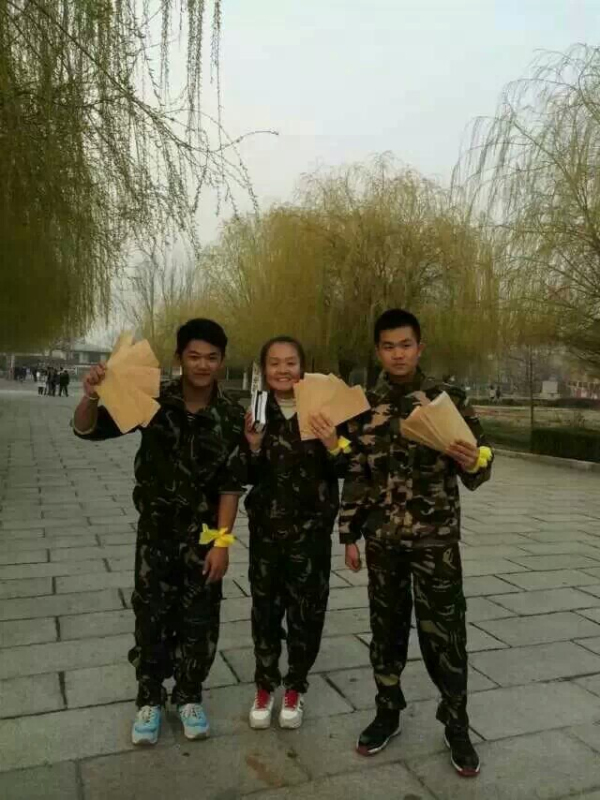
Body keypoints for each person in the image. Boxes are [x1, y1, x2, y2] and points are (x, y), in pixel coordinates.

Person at [73, 319, 245, 746]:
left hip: (205, 537)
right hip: (156, 535)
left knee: (201, 620)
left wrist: (223, 544)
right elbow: (87, 429)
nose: (202, 365)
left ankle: (188, 696)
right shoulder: (151, 399)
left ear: (222, 361)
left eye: (211, 357)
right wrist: (91, 396)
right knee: (150, 617)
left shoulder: (231, 415)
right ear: (179, 358)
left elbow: (230, 485)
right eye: (194, 356)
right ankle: (149, 698)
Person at [340, 308, 492, 778]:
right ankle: (387, 710)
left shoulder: (449, 400)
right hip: (383, 541)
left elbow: (481, 466)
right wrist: (348, 533)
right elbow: (357, 473)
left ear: (419, 347)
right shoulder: (364, 406)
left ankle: (456, 722)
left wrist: (471, 460)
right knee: (385, 629)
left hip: (435, 542)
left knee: (445, 633)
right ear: (378, 351)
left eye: (405, 345)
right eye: (388, 346)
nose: (398, 354)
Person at [239, 336, 349, 731]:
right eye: (274, 363)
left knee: (307, 612)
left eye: (290, 363)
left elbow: (349, 468)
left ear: (303, 368)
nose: (283, 370)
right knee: (265, 611)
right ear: (264, 369)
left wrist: (333, 443)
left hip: (311, 535)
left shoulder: (323, 407)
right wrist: (253, 446)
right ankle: (264, 685)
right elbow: (242, 475)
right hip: (266, 534)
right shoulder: (256, 410)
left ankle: (295, 686)